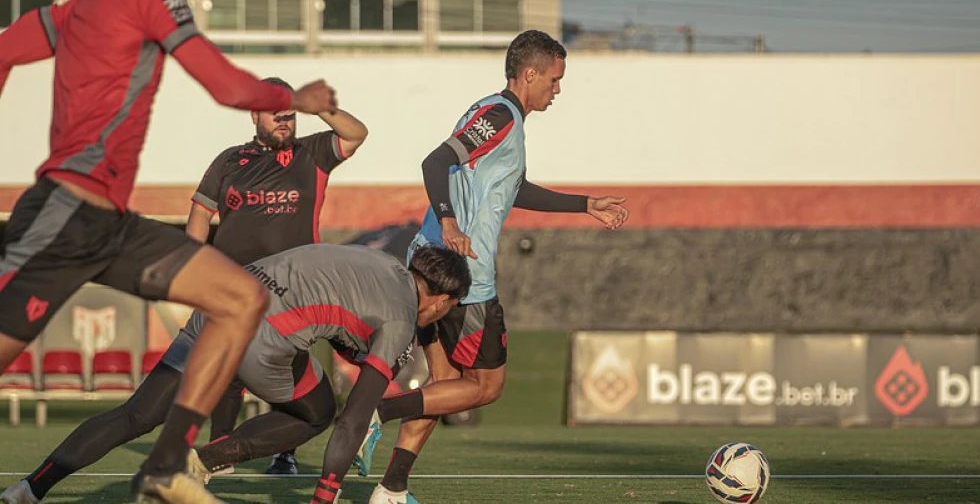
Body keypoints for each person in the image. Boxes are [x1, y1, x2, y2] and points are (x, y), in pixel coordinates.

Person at [0, 0, 337, 502]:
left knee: (240, 298)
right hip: (63, 215)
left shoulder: (76, 9)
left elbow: (5, 47)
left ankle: (166, 467)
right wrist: (288, 96)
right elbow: (226, 86)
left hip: (112, 225)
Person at [355, 29, 631, 504]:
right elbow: (435, 162)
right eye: (554, 79)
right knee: (485, 386)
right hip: (463, 276)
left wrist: (585, 204)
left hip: (431, 265)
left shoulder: (500, 119)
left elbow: (513, 189)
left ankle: (392, 489)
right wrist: (448, 221)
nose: (557, 90)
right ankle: (376, 411)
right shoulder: (500, 115)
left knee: (444, 385)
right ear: (530, 74)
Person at [0, 244, 471, 504]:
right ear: (443, 299)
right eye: (449, 309)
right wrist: (325, 495)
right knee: (319, 410)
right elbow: (354, 419)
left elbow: (328, 302)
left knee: (136, 415)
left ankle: (29, 488)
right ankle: (201, 460)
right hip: (260, 336)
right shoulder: (401, 318)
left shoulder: (382, 261)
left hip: (223, 297)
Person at [185, 75, 368, 476]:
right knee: (231, 361)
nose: (284, 121)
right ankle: (220, 449)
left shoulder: (312, 153)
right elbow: (200, 213)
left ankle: (284, 452)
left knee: (287, 365)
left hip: (294, 289)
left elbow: (356, 134)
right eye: (275, 114)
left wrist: (318, 107)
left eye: (290, 114)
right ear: (254, 115)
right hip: (236, 285)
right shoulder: (229, 160)